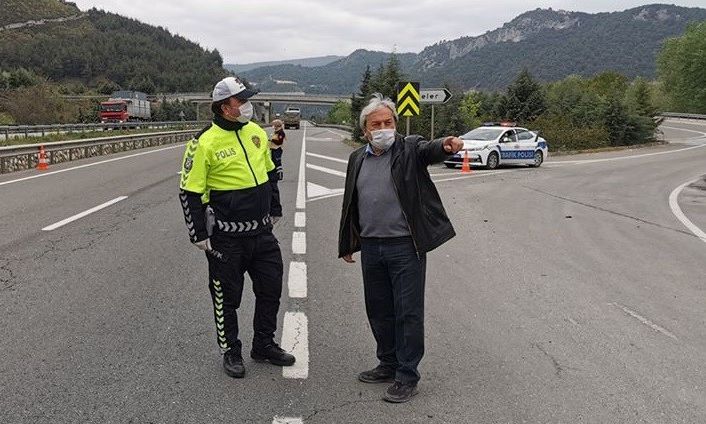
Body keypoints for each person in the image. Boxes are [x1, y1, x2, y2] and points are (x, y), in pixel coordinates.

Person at [338, 94, 463, 403]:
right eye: (376, 124)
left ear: (395, 124)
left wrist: (445, 143)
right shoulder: (357, 158)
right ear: (365, 130)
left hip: (405, 247)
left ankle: (407, 375)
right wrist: (348, 243)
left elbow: (428, 149)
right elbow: (350, 204)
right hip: (371, 246)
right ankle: (388, 362)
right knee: (379, 309)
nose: (384, 128)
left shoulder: (408, 150)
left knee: (407, 312)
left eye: (388, 122)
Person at [178, 76, 295, 379]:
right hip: (226, 239)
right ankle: (231, 349)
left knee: (270, 288)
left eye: (247, 100)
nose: (247, 106)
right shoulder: (203, 142)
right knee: (226, 297)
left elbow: (269, 173)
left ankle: (264, 344)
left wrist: (276, 207)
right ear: (223, 107)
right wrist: (198, 234)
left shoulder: (256, 132)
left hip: (261, 233)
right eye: (241, 101)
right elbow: (190, 191)